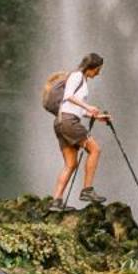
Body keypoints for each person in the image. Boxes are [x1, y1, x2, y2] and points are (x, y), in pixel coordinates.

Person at [52, 52, 112, 210]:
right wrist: (88, 106)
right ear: (91, 67)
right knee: (95, 150)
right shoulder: (77, 76)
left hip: (63, 121)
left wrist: (96, 116)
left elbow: (71, 106)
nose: (99, 72)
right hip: (68, 122)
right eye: (98, 69)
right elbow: (68, 96)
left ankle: (56, 201)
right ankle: (87, 190)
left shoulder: (81, 79)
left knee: (71, 164)